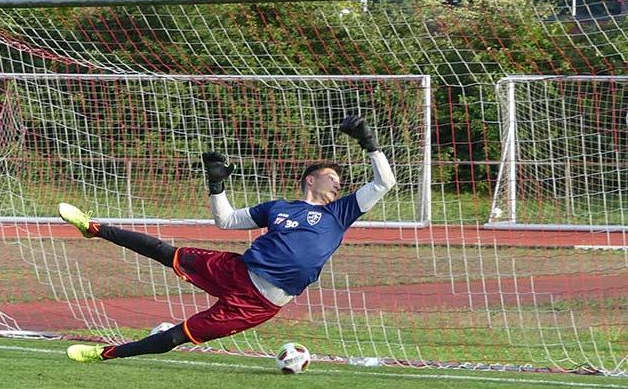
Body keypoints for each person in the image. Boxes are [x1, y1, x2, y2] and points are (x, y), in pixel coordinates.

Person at [61, 115, 396, 363]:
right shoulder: (277, 208)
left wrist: (369, 143)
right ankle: (93, 228)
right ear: (311, 180)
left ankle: (102, 353)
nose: (339, 184)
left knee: (177, 335)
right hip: (236, 270)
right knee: (166, 252)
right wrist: (216, 184)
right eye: (332, 177)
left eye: (340, 180)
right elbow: (226, 220)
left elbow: (384, 183)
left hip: (259, 303)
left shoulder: (340, 212)